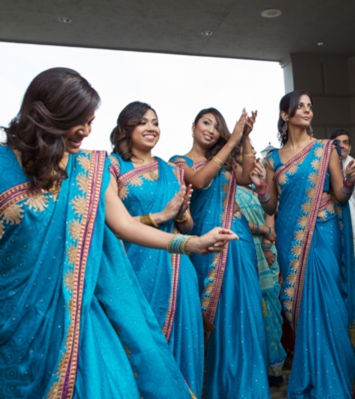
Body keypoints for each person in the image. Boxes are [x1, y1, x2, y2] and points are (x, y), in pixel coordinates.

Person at [0, 67, 237, 398]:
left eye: (90, 120)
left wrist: (190, 243)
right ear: (46, 114)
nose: (85, 129)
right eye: (78, 119)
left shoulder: (85, 169)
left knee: (113, 386)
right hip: (13, 315)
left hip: (80, 314)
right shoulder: (2, 167)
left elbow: (123, 224)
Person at [250, 90, 355, 398]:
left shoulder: (325, 149)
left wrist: (351, 181)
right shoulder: (272, 158)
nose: (307, 110)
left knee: (328, 304)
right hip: (291, 239)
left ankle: (338, 373)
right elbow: (271, 207)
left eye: (309, 106)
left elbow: (339, 194)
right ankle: (313, 374)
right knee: (302, 309)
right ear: (285, 115)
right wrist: (262, 187)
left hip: (324, 233)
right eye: (299, 106)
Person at [170, 107, 271, 398]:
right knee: (217, 323)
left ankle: (248, 390)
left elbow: (247, 176)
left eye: (217, 126)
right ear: (193, 126)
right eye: (206, 122)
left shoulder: (228, 167)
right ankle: (217, 390)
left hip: (238, 248)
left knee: (245, 318)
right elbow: (200, 181)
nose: (211, 130)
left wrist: (247, 137)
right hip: (204, 248)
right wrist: (233, 140)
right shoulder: (179, 162)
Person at [108, 101, 204, 396]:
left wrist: (180, 212)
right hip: (134, 270)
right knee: (143, 349)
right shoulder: (112, 167)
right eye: (143, 122)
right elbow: (113, 224)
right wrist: (159, 216)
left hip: (177, 271)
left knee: (185, 346)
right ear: (126, 128)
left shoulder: (171, 170)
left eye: (155, 122)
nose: (151, 128)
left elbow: (185, 227)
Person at [234, 149, 286, 387]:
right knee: (253, 309)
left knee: (272, 308)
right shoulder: (228, 192)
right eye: (245, 161)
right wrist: (264, 231)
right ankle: (258, 366)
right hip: (245, 253)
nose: (253, 164)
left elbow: (270, 212)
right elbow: (239, 222)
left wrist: (267, 240)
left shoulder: (257, 188)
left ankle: (275, 367)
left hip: (266, 253)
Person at [328, 129, 355, 355]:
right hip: (336, 225)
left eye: (346, 142)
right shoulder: (327, 166)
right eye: (338, 143)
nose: (342, 146)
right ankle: (345, 339)